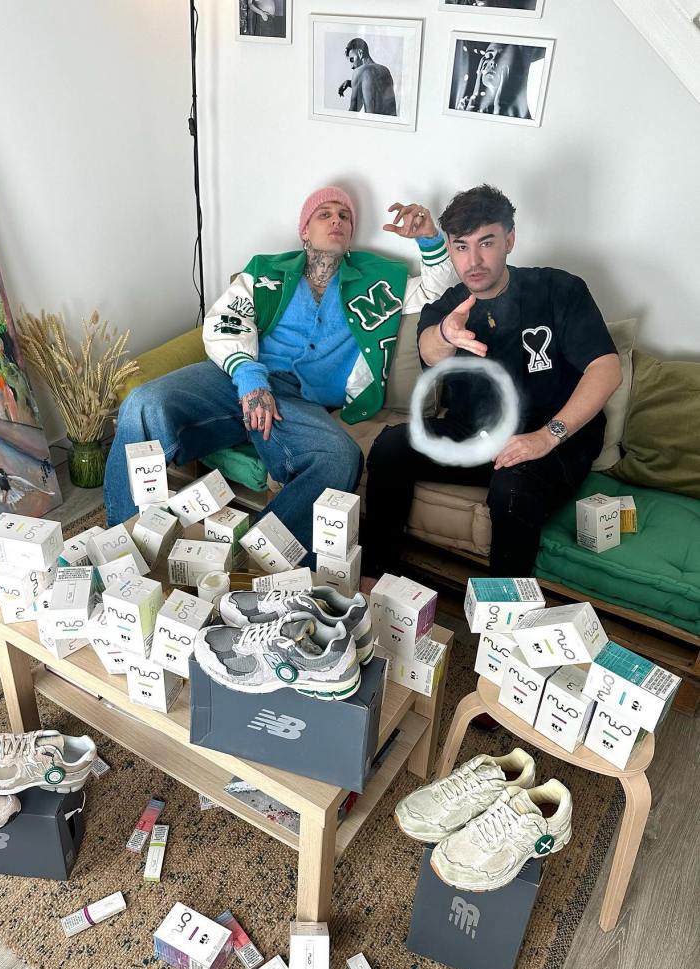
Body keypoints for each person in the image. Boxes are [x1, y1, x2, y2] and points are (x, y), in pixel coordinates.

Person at [104, 186, 455, 561]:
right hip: (235, 381)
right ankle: (121, 553)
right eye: (324, 214)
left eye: (345, 216)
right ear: (305, 230)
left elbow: (439, 296)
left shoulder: (378, 281)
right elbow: (225, 321)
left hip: (297, 404)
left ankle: (251, 561)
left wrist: (429, 238)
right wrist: (249, 378)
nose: (336, 220)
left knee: (341, 458)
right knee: (143, 404)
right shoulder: (265, 271)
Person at [361, 184, 622, 589]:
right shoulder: (448, 306)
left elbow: (606, 369)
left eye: (486, 243)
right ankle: (372, 584)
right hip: (476, 433)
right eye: (461, 247)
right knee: (391, 445)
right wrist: (446, 333)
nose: (474, 261)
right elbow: (430, 350)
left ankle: (502, 616)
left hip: (555, 437)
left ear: (509, 240)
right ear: (450, 249)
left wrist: (546, 436)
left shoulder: (558, 289)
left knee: (512, 487)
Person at [452, 40, 545, 119]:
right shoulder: (464, 105)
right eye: (488, 56)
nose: (492, 62)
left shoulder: (525, 109)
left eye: (502, 58)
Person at [338, 39, 397, 116]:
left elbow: (353, 111)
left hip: (372, 122)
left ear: (360, 53)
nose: (352, 66)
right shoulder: (385, 70)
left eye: (352, 59)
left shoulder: (359, 71)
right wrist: (350, 83)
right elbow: (373, 87)